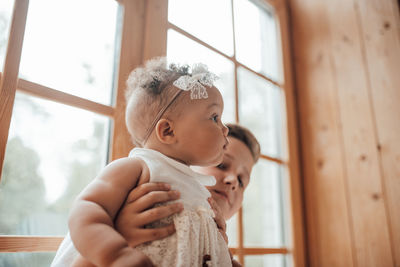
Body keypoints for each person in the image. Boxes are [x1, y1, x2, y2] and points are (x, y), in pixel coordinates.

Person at [53, 57, 232, 267]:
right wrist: (116, 254)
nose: (225, 128)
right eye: (214, 117)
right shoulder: (139, 167)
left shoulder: (198, 189)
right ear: (167, 131)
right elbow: (86, 207)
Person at [114, 123, 260, 267]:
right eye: (221, 165)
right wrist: (117, 238)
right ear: (184, 164)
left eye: (241, 181)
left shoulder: (226, 257)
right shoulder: (136, 200)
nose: (233, 181)